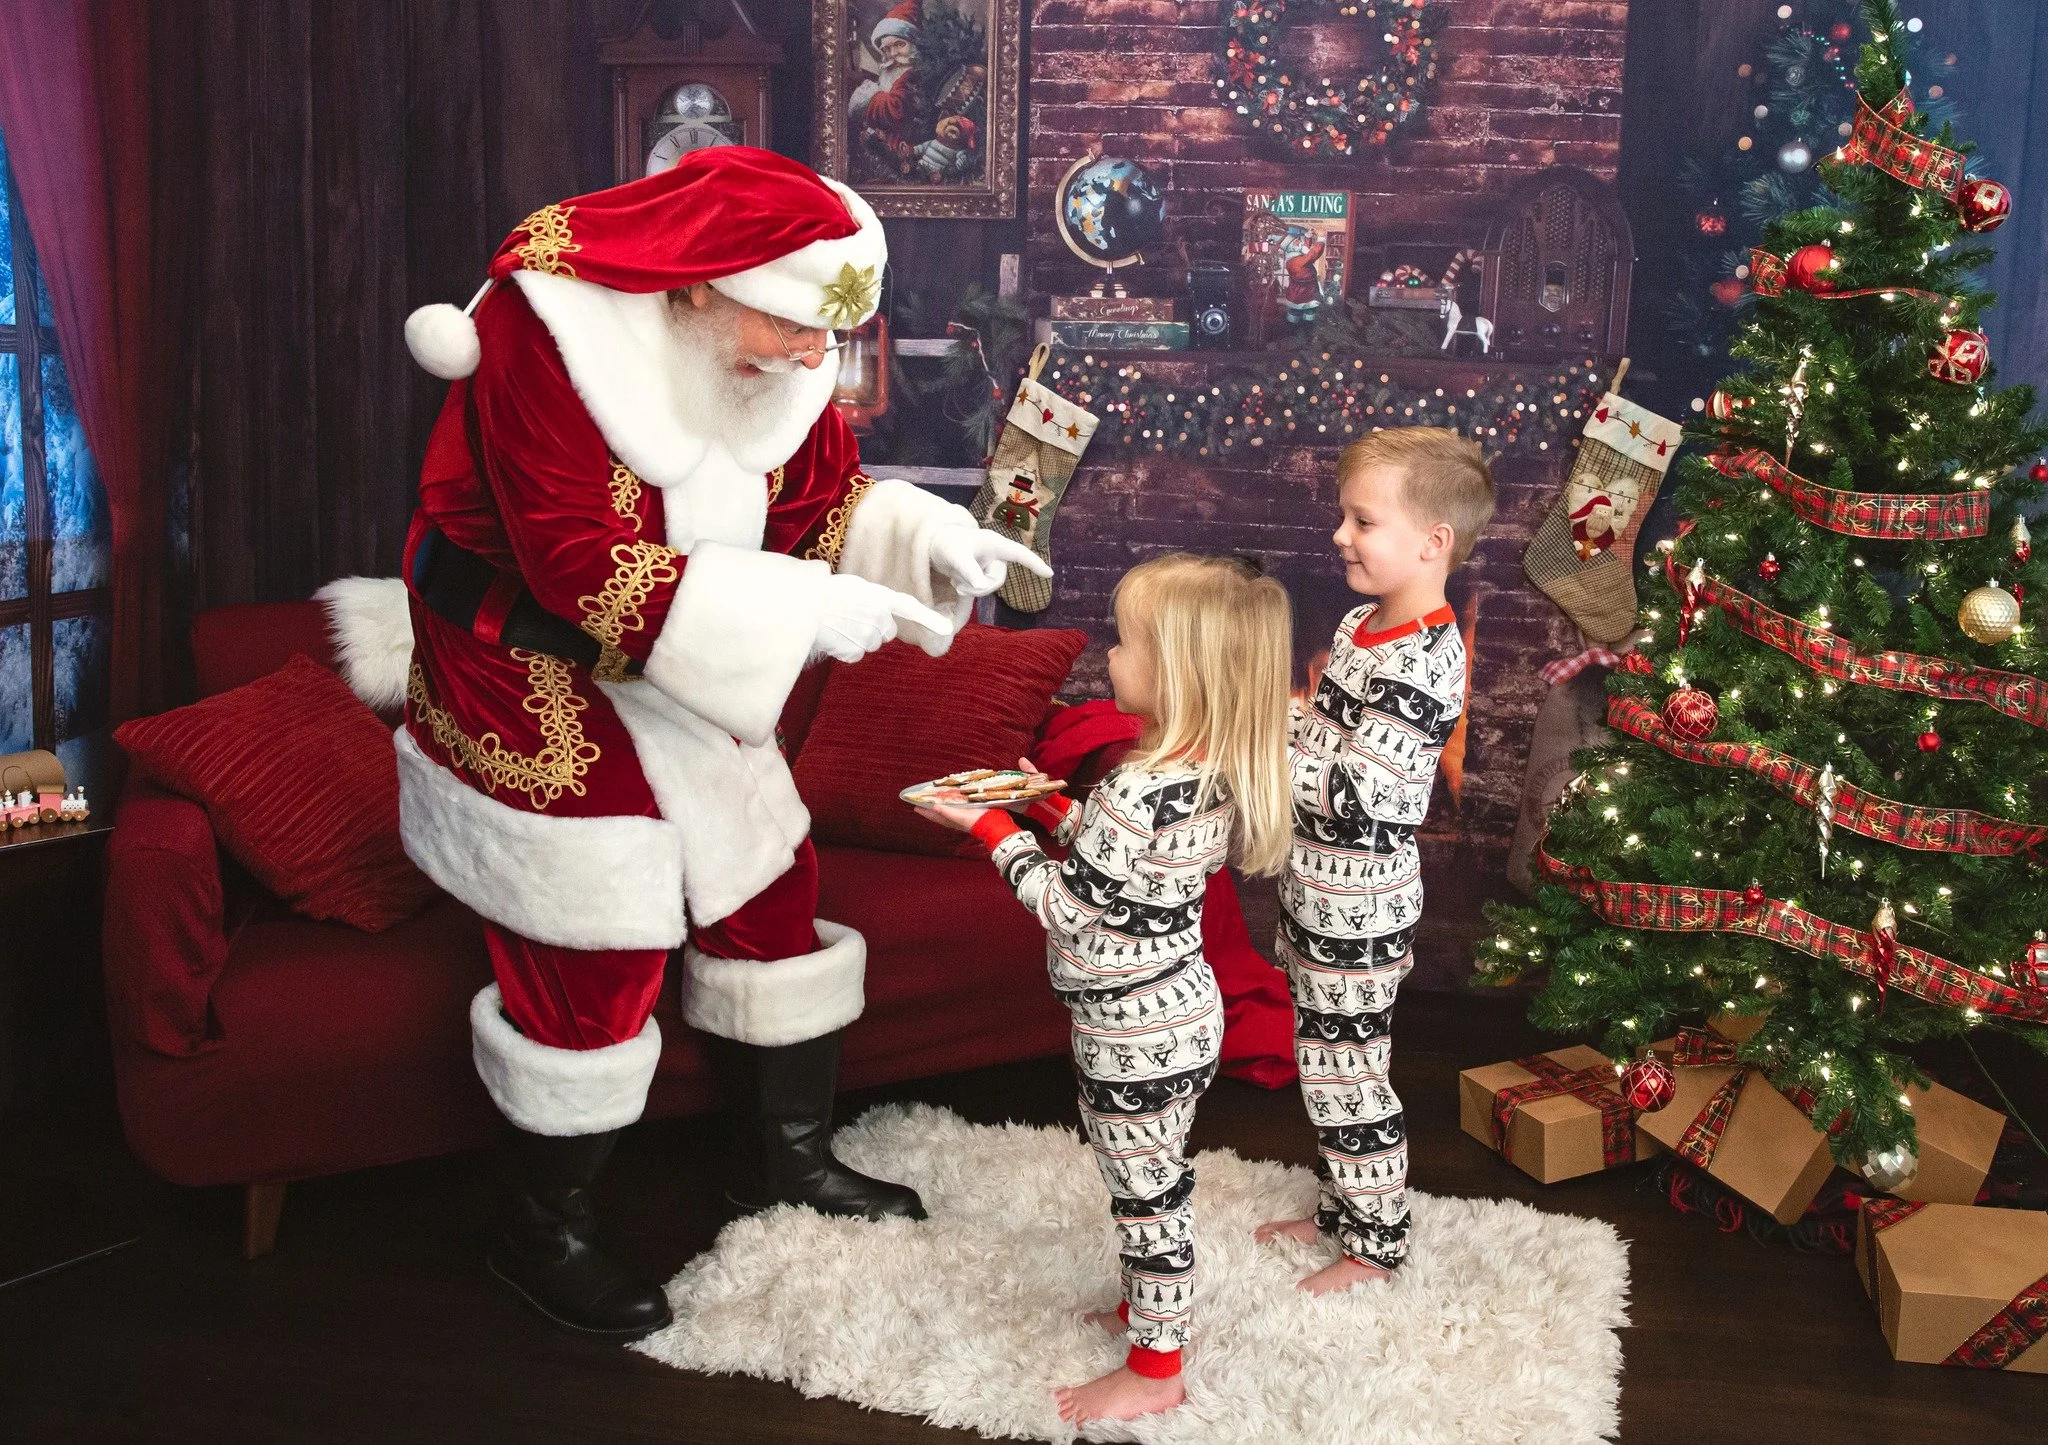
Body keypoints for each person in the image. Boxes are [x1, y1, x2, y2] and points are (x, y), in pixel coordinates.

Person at [323, 146, 1046, 1340]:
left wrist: (928, 537)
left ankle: (779, 1161)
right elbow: (576, 566)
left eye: (834, 338)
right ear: (699, 286)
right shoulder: (539, 342)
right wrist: (801, 610)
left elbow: (820, 498)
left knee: (769, 881)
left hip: (683, 643)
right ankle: (540, 1229)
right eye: (797, 333)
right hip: (522, 658)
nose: (819, 360)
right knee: (594, 928)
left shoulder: (782, 340)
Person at [917, 553, 1293, 1426]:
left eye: (1126, 644)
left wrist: (992, 829)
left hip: (1130, 1031)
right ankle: (1144, 1310)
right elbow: (1138, 875)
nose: (1109, 660)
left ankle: (1157, 1367)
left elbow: (1071, 907)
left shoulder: (1133, 787)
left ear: (1179, 671)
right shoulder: (1201, 770)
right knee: (1157, 1175)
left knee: (1145, 1198)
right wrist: (1055, 813)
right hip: (1186, 1011)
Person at [1254, 427, 1493, 1293]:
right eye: (1342, 516)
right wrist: (1266, 725)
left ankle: (1376, 1245)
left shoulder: (1427, 660)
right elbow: (1322, 737)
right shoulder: (1360, 625)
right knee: (1325, 1061)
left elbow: (1371, 794)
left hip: (1362, 904)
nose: (1339, 536)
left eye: (1363, 520)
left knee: (1349, 1075)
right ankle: (1338, 1206)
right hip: (1314, 890)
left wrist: (1262, 758)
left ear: (1432, 543)